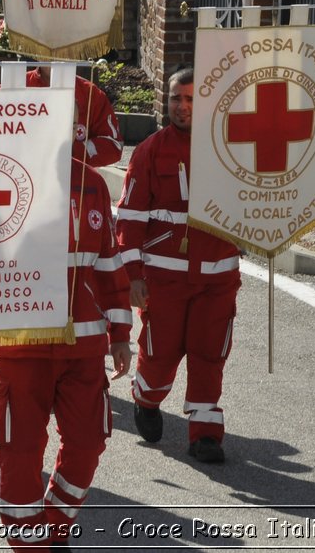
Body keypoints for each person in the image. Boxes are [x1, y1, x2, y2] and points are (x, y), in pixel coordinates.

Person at [0, 61, 126, 480]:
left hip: (66, 321)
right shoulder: (6, 87)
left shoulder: (88, 100)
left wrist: (75, 153)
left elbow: (112, 146)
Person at [0, 151, 132, 550]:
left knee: (89, 443)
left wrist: (121, 332)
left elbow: (108, 263)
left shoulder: (92, 182)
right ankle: (29, 546)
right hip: (22, 344)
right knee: (20, 454)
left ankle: (52, 528)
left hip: (83, 344)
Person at [117, 67, 239, 466]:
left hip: (218, 277)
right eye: (175, 98)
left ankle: (205, 435)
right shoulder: (150, 151)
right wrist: (133, 275)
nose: (182, 106)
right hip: (165, 278)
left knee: (209, 354)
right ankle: (146, 398)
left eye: (190, 99)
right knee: (160, 353)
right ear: (165, 100)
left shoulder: (231, 146)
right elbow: (130, 217)